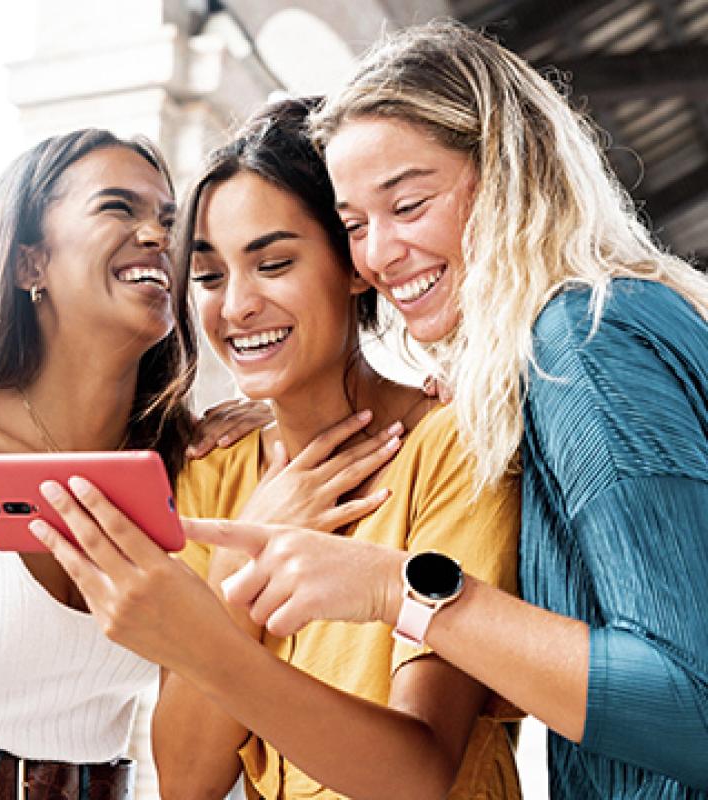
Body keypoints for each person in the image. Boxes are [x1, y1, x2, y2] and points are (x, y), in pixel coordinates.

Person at [177, 19, 708, 799]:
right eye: (356, 224)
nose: (380, 254)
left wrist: (400, 589)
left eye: (410, 204)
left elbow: (693, 706)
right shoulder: (585, 338)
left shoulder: (584, 340)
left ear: (507, 173)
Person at [29, 97, 522, 799]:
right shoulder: (214, 476)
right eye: (208, 276)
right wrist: (238, 576)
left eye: (274, 263)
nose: (234, 308)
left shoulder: (452, 446)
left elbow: (416, 776)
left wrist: (216, 615)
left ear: (354, 263)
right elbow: (189, 780)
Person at [0, 127, 269, 800]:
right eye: (118, 208)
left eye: (168, 220)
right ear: (29, 265)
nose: (158, 236)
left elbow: (199, 760)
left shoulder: (192, 470)